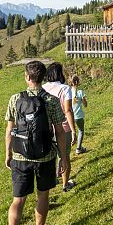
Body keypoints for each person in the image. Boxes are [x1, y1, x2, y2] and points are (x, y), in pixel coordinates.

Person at [5, 60, 69, 225]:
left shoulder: (15, 99)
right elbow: (59, 131)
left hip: (21, 157)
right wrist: (64, 157)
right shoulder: (50, 100)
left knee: (18, 200)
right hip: (45, 157)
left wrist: (8, 153)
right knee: (43, 195)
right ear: (42, 78)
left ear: (27, 77)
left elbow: (9, 130)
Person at [42, 62, 76, 192]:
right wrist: (73, 130)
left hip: (47, 128)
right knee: (64, 156)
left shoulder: (43, 88)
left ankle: (53, 179)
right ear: (60, 73)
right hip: (63, 127)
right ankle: (65, 184)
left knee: (51, 157)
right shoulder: (65, 89)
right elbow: (67, 110)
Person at [70, 75, 88, 154]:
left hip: (70, 116)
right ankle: (78, 148)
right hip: (79, 116)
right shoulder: (80, 92)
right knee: (81, 130)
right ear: (77, 82)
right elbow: (85, 105)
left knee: (70, 132)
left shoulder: (68, 92)